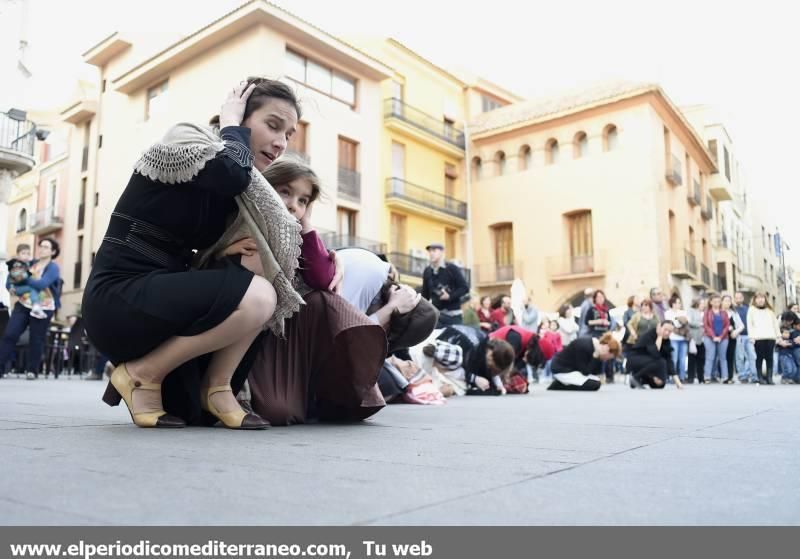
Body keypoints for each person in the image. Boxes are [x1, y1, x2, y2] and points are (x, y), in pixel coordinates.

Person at [82, 78, 306, 429]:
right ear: (238, 116)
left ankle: (217, 389)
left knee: (260, 262)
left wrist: (221, 252)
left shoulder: (238, 192)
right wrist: (231, 124)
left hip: (164, 300)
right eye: (273, 125)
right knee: (260, 295)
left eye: (289, 134)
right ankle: (140, 374)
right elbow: (229, 174)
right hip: (119, 297)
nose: (281, 143)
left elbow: (231, 197)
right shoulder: (187, 138)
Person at [0, 238, 62, 380]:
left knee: (36, 338)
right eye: (40, 246)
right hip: (23, 304)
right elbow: (13, 275)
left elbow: (42, 284)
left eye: (46, 247)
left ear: (53, 251)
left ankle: (32, 370)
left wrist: (23, 278)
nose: (41, 248)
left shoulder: (53, 267)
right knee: (10, 334)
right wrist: (11, 287)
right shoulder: (30, 263)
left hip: (43, 307)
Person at [435, 324, 516, 395]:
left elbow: (491, 372)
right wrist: (475, 378)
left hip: (445, 351)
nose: (489, 365)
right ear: (491, 354)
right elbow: (452, 369)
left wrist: (499, 385)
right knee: (460, 388)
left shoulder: (485, 345)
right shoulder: (470, 349)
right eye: (490, 365)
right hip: (441, 353)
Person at [490, 324, 555, 392]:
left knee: (520, 384)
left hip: (496, 365)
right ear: (536, 353)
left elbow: (513, 369)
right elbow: (501, 364)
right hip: (486, 359)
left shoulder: (526, 346)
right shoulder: (516, 338)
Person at [547, 333, 620, 391]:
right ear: (606, 348)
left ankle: (565, 383)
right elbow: (585, 372)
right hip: (561, 369)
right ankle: (560, 385)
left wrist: (598, 358)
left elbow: (596, 373)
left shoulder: (595, 348)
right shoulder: (584, 345)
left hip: (573, 370)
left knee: (596, 381)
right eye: (608, 356)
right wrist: (595, 356)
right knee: (594, 384)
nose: (606, 359)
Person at [421, 242, 469, 328]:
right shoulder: (427, 271)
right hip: (436, 316)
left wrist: (449, 296)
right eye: (430, 251)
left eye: (434, 250)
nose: (431, 253)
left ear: (442, 252)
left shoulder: (451, 268)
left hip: (453, 316)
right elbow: (425, 295)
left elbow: (464, 288)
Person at [627, 322, 684, 389]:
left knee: (660, 384)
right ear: (659, 327)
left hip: (649, 362)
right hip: (635, 360)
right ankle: (636, 377)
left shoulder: (666, 340)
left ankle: (640, 381)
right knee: (660, 361)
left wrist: (678, 382)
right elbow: (655, 353)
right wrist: (659, 336)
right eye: (665, 329)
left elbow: (669, 360)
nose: (667, 333)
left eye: (670, 331)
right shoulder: (650, 335)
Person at [5, 244, 47, 319]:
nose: (26, 256)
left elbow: (34, 262)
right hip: (14, 288)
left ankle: (35, 305)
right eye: (23, 253)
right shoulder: (16, 265)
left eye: (28, 253)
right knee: (31, 288)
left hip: (20, 287)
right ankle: (35, 306)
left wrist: (41, 260)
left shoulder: (26, 263)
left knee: (33, 289)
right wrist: (29, 272)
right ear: (18, 255)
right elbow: (18, 277)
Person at [747, 292, 780, 385]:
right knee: (759, 357)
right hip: (758, 337)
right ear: (755, 300)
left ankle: (769, 377)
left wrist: (778, 336)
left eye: (762, 298)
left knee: (770, 357)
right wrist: (751, 337)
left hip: (770, 337)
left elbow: (775, 324)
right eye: (758, 298)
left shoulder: (770, 310)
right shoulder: (751, 310)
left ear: (765, 299)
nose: (760, 300)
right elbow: (750, 324)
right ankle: (760, 377)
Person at [703, 294, 730, 384]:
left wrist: (721, 337)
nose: (717, 303)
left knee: (723, 357)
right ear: (710, 302)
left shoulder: (724, 313)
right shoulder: (707, 312)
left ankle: (725, 377)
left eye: (718, 301)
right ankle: (707, 377)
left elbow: (727, 326)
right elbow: (706, 325)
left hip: (723, 338)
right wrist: (714, 336)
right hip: (709, 337)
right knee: (710, 357)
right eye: (715, 301)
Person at [733, 292, 757, 384]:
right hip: (739, 336)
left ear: (743, 298)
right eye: (736, 297)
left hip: (749, 335)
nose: (738, 299)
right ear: (734, 299)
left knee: (752, 356)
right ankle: (742, 376)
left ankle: (753, 375)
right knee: (739, 357)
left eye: (740, 297)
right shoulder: (733, 309)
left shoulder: (748, 309)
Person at [664, 294, 689, 382]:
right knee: (674, 359)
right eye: (677, 303)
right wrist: (678, 321)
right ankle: (672, 377)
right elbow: (670, 324)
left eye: (679, 303)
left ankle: (682, 377)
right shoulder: (667, 313)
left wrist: (677, 321)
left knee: (682, 359)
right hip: (673, 338)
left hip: (683, 338)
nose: (679, 304)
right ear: (673, 304)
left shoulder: (683, 312)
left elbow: (685, 322)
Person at [722, 294, 744, 384]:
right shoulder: (718, 312)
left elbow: (741, 325)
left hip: (731, 337)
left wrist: (736, 332)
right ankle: (723, 376)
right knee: (722, 357)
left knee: (730, 357)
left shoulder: (733, 313)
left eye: (729, 300)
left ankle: (730, 377)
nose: (727, 302)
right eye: (725, 300)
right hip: (721, 338)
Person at [686, 297, 707, 383]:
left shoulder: (705, 312)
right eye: (701, 303)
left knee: (701, 359)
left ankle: (701, 378)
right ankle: (690, 377)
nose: (703, 305)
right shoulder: (691, 310)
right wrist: (701, 324)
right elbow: (690, 322)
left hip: (703, 338)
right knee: (692, 358)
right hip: (693, 337)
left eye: (703, 303)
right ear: (697, 303)